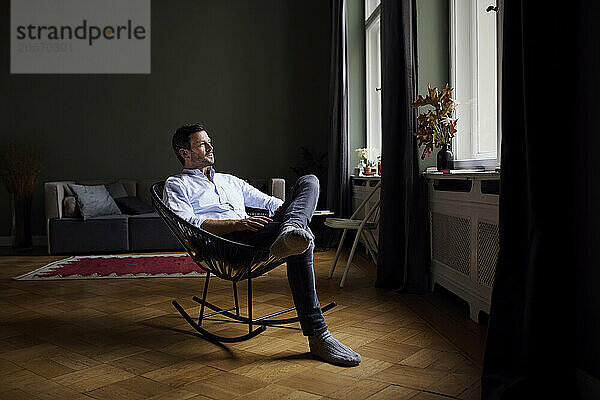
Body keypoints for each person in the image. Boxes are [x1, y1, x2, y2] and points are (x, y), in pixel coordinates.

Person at [163, 122, 361, 366]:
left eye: (209, 140)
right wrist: (236, 224)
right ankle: (319, 335)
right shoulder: (176, 184)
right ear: (185, 153)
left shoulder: (229, 180)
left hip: (257, 233)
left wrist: (294, 212)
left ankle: (291, 230)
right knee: (302, 241)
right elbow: (189, 222)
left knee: (309, 181)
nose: (211, 146)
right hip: (226, 244)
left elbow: (272, 203)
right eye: (202, 144)